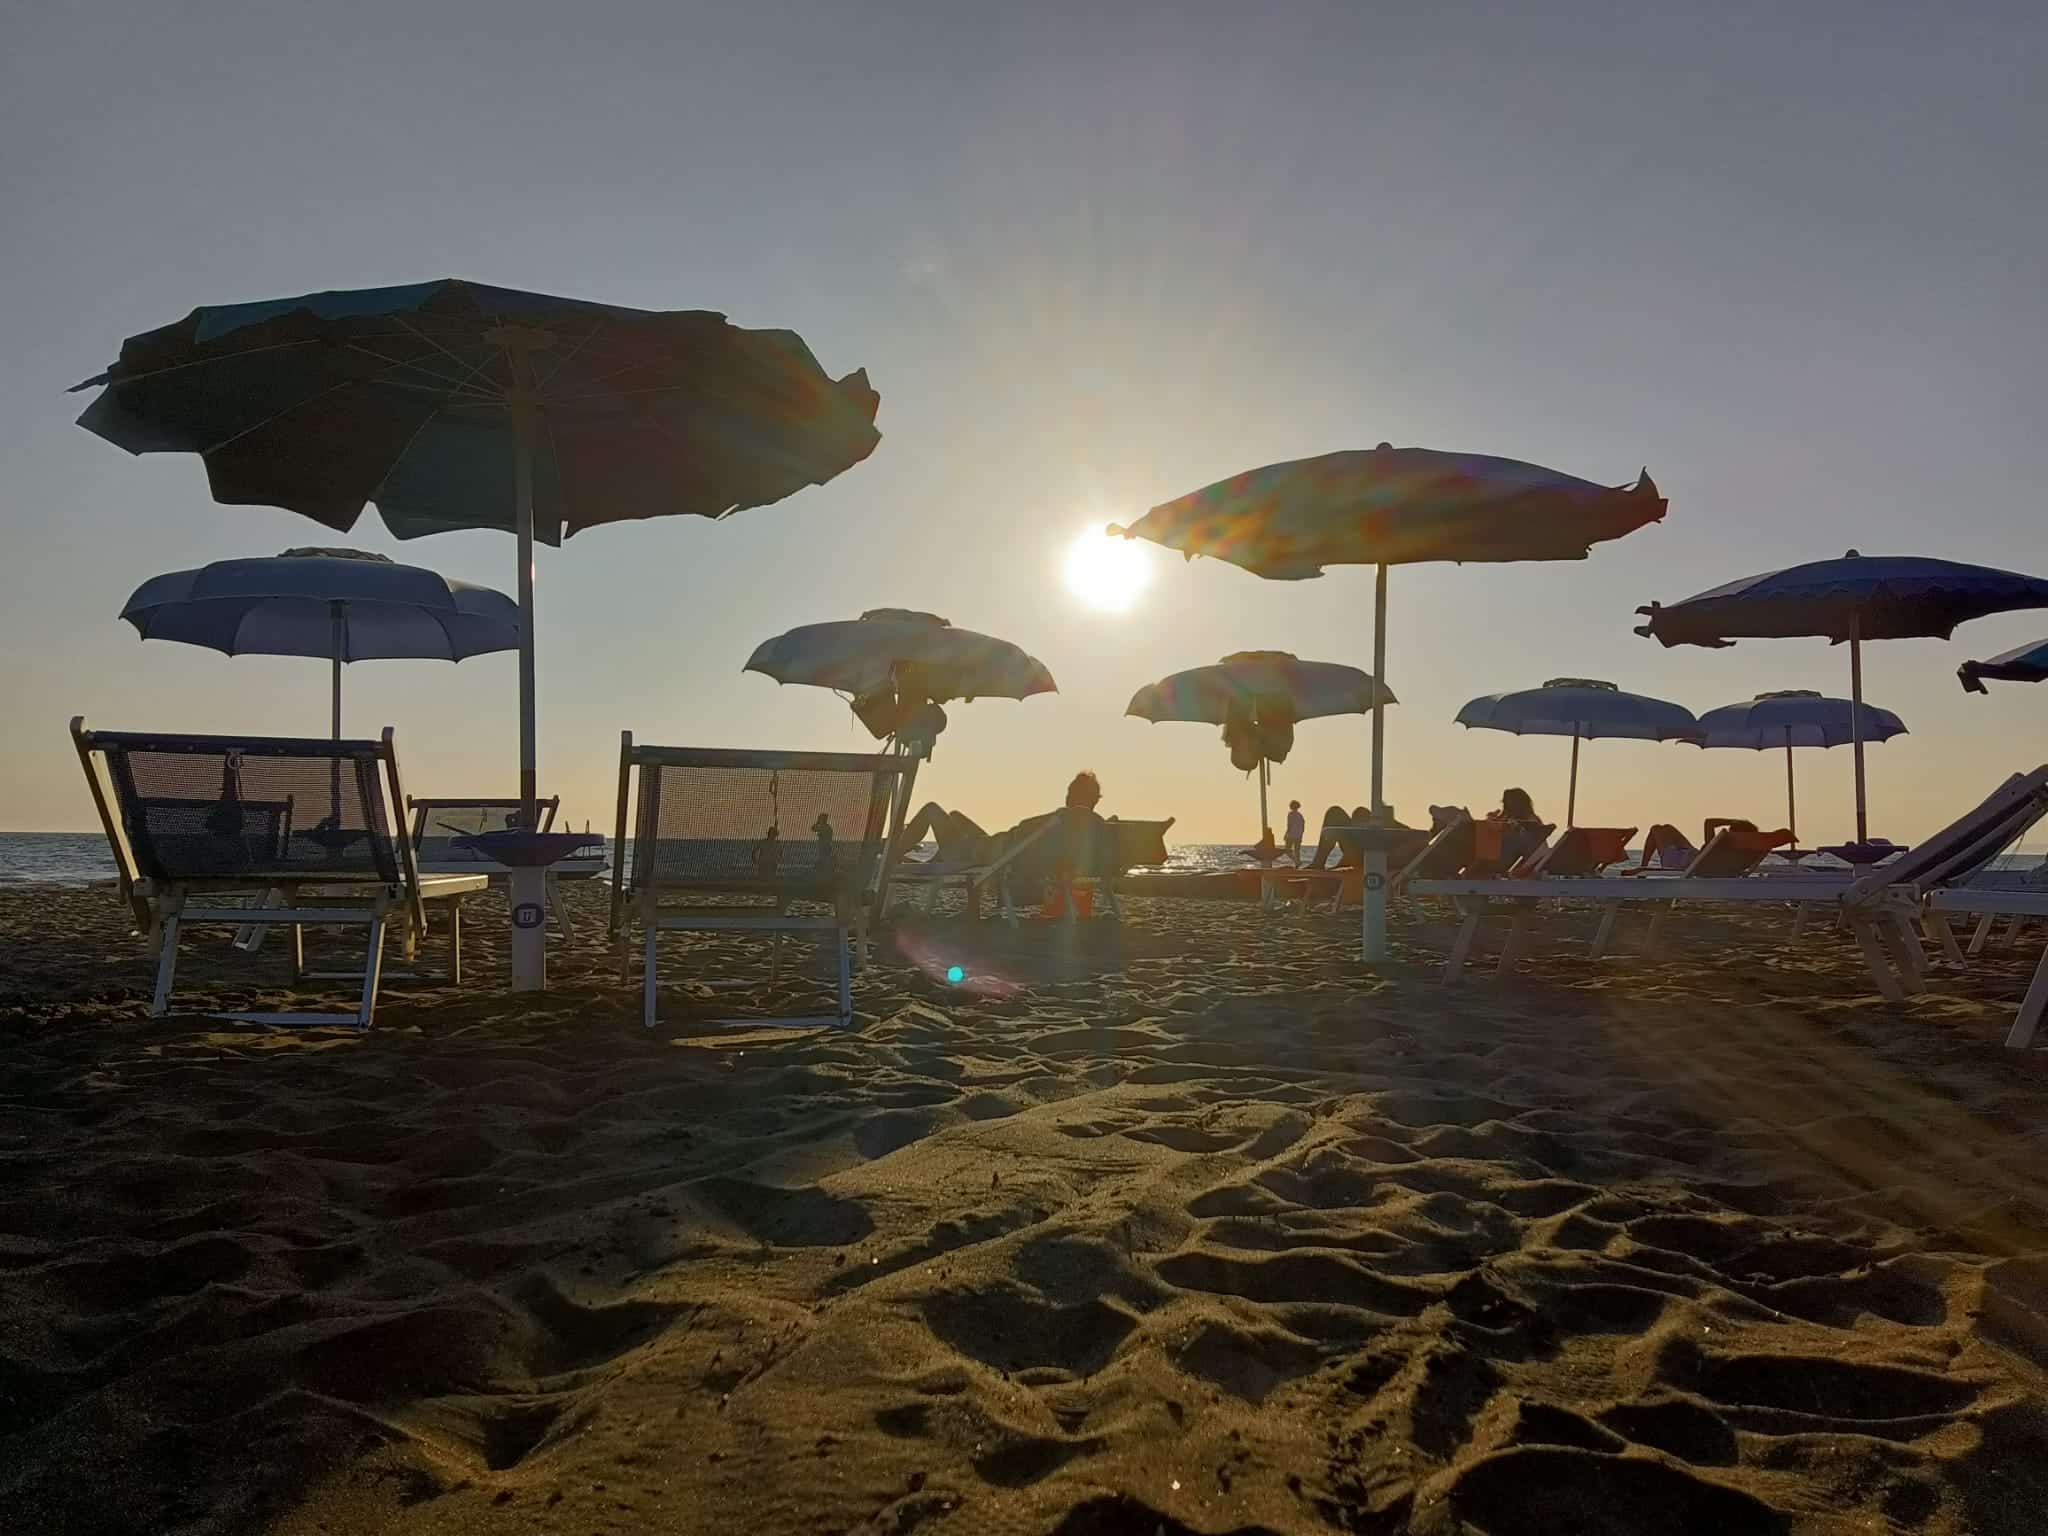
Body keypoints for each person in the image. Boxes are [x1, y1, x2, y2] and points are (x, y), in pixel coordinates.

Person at [1488, 787, 1547, 865]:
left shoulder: (1531, 821)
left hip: (1527, 862)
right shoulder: (1504, 818)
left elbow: (1540, 847)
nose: (1506, 806)